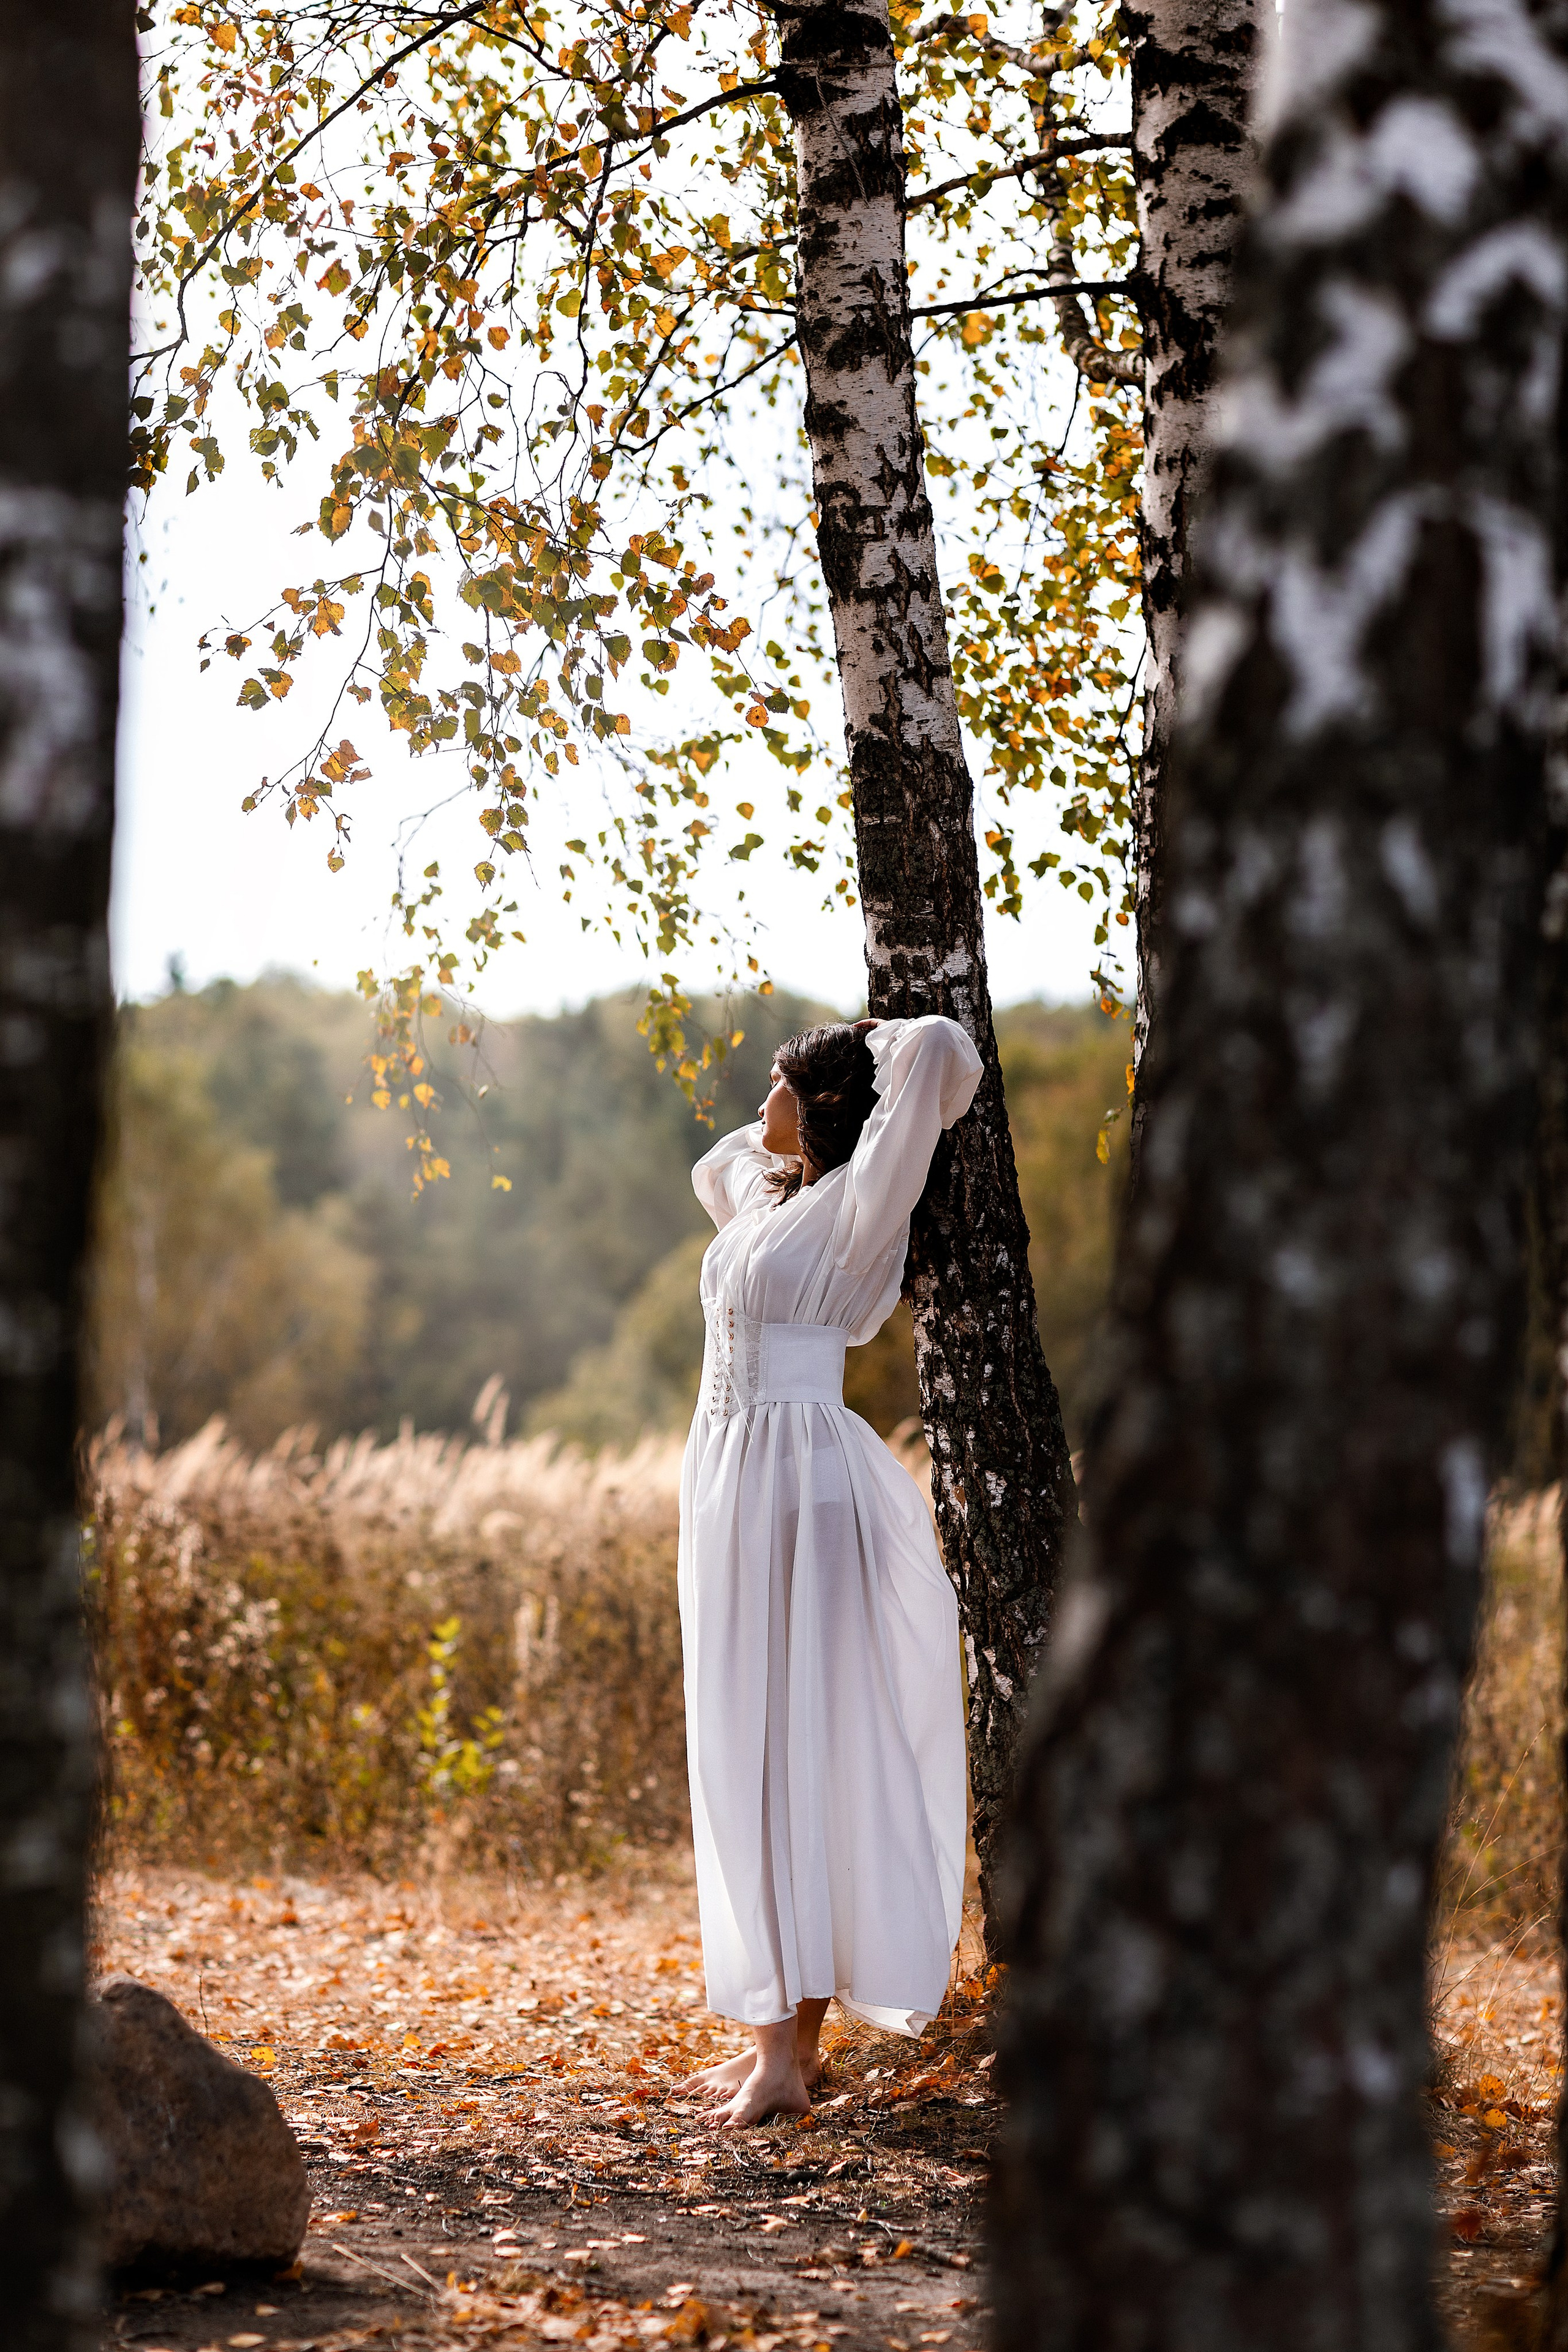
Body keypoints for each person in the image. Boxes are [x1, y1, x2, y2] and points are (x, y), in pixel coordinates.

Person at [674, 1012, 983, 2127]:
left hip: (805, 1486)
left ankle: (785, 2055)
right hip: (728, 1486)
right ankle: (782, 2049)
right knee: (744, 1748)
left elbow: (943, 1050)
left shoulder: (859, 1211)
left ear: (825, 1101)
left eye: (780, 1079)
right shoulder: (775, 1200)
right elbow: (718, 1163)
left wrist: (860, 1039)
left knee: (799, 1751)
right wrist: (800, 1116)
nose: (762, 1091)